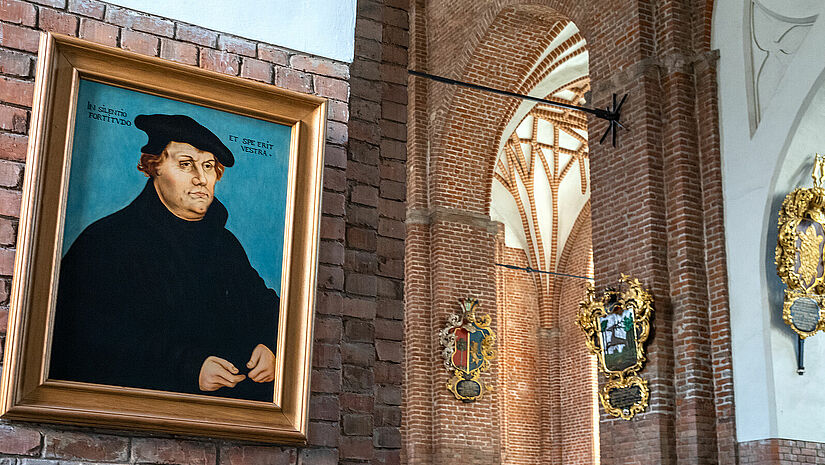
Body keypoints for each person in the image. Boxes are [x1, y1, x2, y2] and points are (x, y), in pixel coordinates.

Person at [49, 114, 280, 402]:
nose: (201, 178)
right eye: (186, 164)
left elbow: (266, 307)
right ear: (153, 166)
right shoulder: (107, 240)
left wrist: (271, 346)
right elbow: (88, 336)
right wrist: (189, 366)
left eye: (208, 166)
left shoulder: (224, 244)